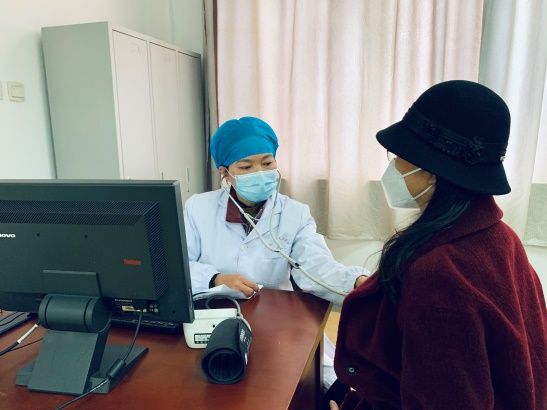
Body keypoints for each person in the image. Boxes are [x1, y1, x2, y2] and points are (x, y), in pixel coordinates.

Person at [331, 80, 546, 409]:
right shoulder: (502, 238)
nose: (392, 166)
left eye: (399, 156)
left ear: (431, 171)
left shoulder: (438, 275)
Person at [184, 116, 369, 387]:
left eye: (267, 162)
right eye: (246, 166)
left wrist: (356, 282)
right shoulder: (197, 208)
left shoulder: (295, 213)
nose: (259, 172)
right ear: (225, 172)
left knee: (314, 383)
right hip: (214, 316)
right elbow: (179, 265)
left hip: (278, 321)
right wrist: (215, 278)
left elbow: (315, 266)